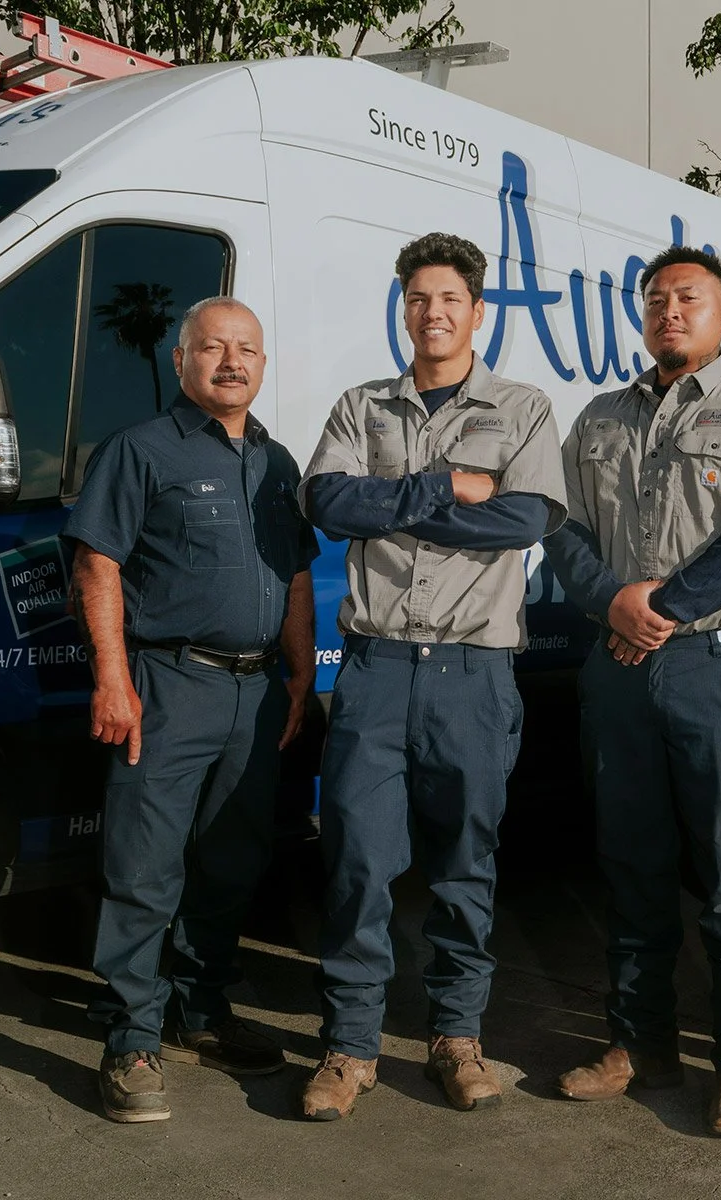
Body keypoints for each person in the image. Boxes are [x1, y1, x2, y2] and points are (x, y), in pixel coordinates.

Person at [543, 245, 721, 1139]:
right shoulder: (598, 419)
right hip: (619, 667)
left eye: (689, 298)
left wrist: (660, 606)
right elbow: (566, 530)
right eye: (657, 298)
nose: (670, 311)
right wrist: (612, 603)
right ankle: (640, 1044)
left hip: (719, 666)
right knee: (631, 864)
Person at [296, 232, 567, 1121]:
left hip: (471, 672)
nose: (432, 312)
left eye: (448, 298)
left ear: (477, 311)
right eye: (417, 298)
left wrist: (399, 504)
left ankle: (457, 1037)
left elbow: (523, 520)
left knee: (464, 862)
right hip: (374, 669)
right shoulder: (363, 404)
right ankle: (350, 1046)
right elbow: (328, 503)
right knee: (358, 861)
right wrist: (444, 488)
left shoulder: (521, 408)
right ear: (403, 308)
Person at [63, 296, 318, 1124]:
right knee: (145, 867)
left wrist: (299, 672)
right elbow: (97, 563)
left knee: (232, 861)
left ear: (263, 365)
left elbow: (297, 573)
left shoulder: (277, 463)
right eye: (214, 347)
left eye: (247, 348)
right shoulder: (140, 450)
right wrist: (113, 679)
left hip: (255, 695)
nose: (231, 361)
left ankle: (199, 1010)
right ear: (182, 361)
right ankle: (130, 1037)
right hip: (168, 686)